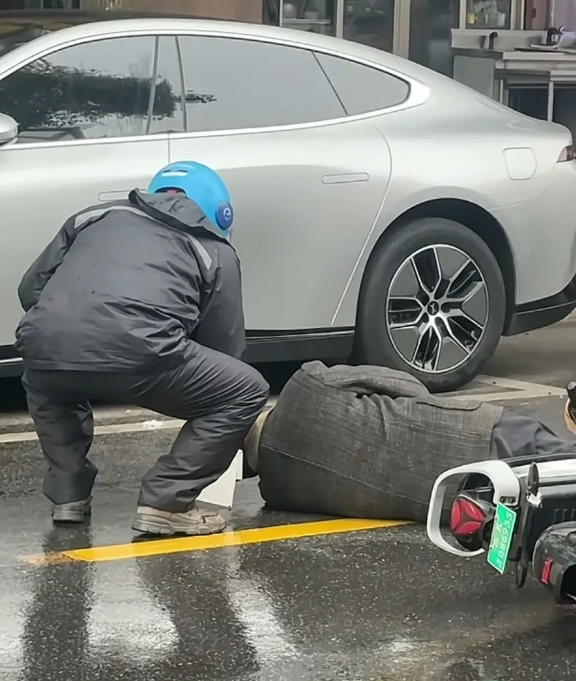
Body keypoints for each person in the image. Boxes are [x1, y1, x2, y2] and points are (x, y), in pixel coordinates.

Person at [16, 161, 270, 536]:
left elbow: (29, 290)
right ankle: (167, 501)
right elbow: (223, 346)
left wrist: (74, 325)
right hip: (142, 352)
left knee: (51, 382)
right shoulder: (213, 250)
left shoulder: (91, 217)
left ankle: (68, 496)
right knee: (246, 390)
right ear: (219, 210)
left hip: (44, 346)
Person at [243, 360, 576, 523]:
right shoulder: (306, 385)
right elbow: (402, 383)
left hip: (453, 499)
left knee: (548, 499)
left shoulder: (277, 493)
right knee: (561, 466)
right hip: (468, 432)